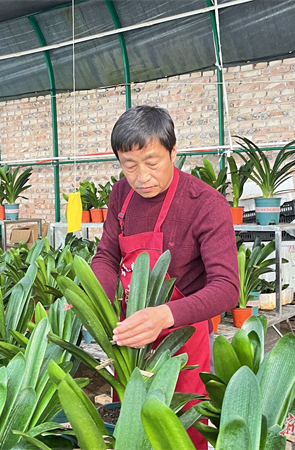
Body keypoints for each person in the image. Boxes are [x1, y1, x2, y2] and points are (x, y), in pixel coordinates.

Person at [90, 105, 239, 449]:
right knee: (128, 424)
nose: (141, 177)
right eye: (129, 165)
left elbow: (227, 287)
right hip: (129, 335)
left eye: (152, 162)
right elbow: (106, 256)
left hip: (181, 341)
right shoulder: (120, 195)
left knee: (179, 430)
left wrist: (164, 315)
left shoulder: (205, 204)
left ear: (174, 151)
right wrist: (97, 299)